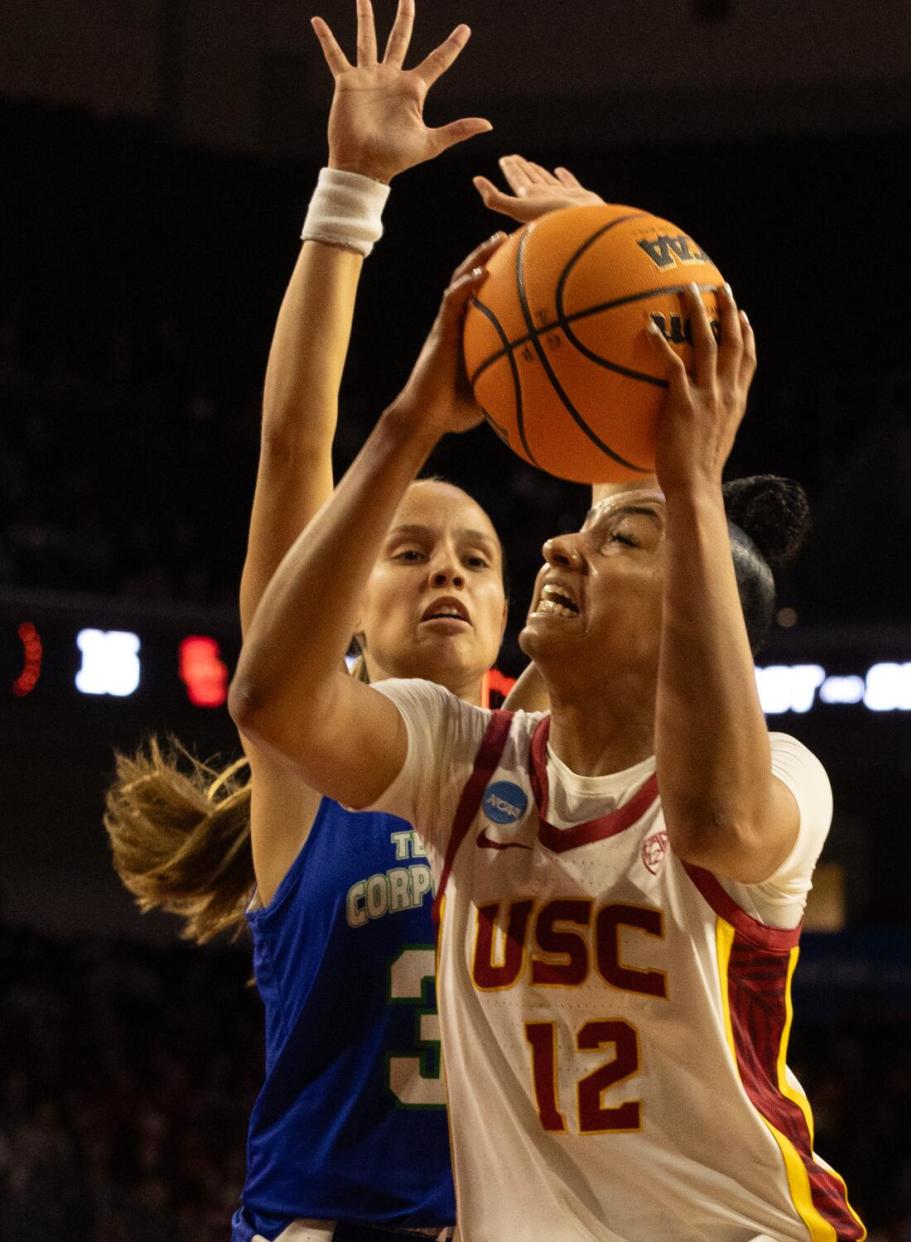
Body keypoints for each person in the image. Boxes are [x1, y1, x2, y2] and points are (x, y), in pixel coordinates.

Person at [230, 247, 867, 1238]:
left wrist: (687, 470)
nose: (558, 543)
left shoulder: (784, 775)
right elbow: (270, 691)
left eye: (616, 539)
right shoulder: (462, 763)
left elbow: (713, 812)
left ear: (685, 621)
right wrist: (417, 413)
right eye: (411, 551)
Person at [102, 5, 522, 1240]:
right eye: (407, 549)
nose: (446, 571)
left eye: (475, 556)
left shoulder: (539, 760)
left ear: (510, 611)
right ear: (347, 611)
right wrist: (349, 195)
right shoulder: (301, 766)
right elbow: (296, 449)